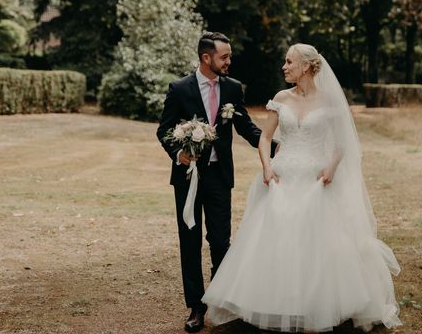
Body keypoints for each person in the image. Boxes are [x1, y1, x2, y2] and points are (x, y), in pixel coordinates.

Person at [202, 43, 402, 332]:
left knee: (320, 241)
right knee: (274, 238)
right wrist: (267, 167)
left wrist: (332, 166)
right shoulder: (282, 97)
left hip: (316, 179)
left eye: (289, 62)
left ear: (306, 66)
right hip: (283, 176)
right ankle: (274, 302)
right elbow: (265, 138)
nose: (284, 67)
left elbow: (341, 142)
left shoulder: (330, 101)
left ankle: (320, 304)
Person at [157, 32, 277, 333]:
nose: (229, 61)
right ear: (206, 58)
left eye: (229, 56)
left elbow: (246, 126)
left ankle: (223, 301)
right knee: (190, 239)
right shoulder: (180, 88)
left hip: (219, 177)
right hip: (188, 177)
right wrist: (179, 152)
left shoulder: (233, 88)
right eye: (224, 56)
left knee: (221, 241)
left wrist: (278, 149)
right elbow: (164, 130)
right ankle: (196, 307)